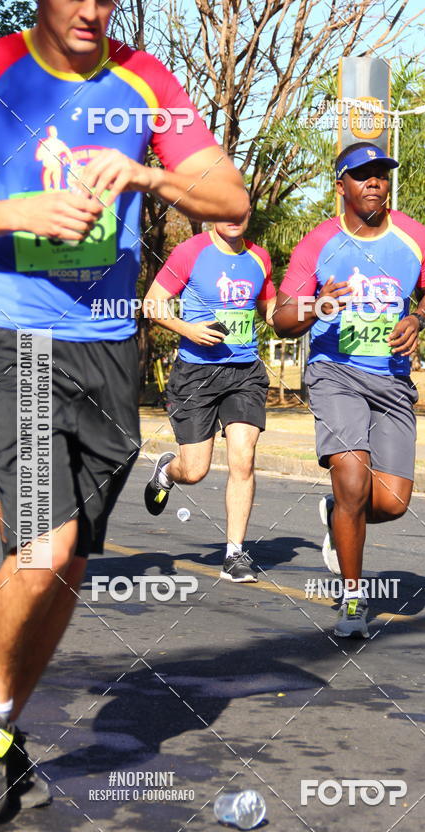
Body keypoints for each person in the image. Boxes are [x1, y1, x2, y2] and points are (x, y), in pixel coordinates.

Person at [0, 0, 248, 819]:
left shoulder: (145, 79)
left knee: (70, 559)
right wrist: (15, 212)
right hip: (19, 335)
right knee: (47, 539)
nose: (90, 8)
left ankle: (2, 732)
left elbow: (230, 198)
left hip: (108, 346)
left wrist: (151, 174)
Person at [273, 141, 425, 638]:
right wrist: (316, 307)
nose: (374, 181)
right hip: (335, 374)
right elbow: (283, 319)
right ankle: (352, 600)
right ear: (341, 185)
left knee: (391, 502)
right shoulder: (319, 244)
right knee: (352, 479)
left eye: (381, 174)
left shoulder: (415, 238)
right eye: (362, 174)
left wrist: (418, 318)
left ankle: (336, 516)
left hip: (391, 379)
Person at [143, 210, 275, 582]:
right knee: (196, 469)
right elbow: (153, 304)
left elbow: (270, 311)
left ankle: (235, 554)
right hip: (196, 373)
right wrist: (189, 330)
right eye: (225, 210)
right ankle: (167, 471)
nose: (234, 217)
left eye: (242, 210)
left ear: (251, 213)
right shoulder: (190, 252)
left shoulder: (258, 258)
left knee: (243, 458)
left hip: (244, 372)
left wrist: (317, 306)